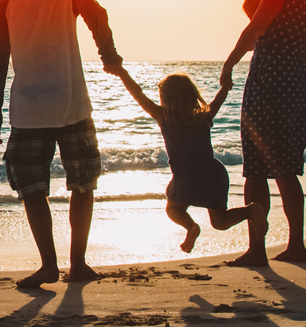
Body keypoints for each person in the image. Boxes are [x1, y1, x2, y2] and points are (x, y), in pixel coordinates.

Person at [0, 0, 123, 288]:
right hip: (72, 104)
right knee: (82, 182)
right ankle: (77, 264)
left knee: (33, 189)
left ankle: (49, 266)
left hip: (28, 112)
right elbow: (98, 16)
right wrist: (107, 53)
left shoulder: (6, 2)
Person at [220, 0, 306, 266]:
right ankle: (296, 246)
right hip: (297, 89)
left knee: (257, 170)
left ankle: (257, 250)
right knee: (286, 169)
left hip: (270, 88)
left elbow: (256, 27)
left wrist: (230, 62)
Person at [110, 69, 267, 253]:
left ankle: (191, 227)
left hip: (186, 177)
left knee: (173, 210)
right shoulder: (204, 115)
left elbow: (138, 94)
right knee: (220, 221)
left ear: (166, 98)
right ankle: (250, 211)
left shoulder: (164, 117)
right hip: (213, 175)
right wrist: (225, 87)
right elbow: (218, 100)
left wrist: (122, 74)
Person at [243, 0, 306, 103]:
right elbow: (249, 46)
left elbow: (300, 22)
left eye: (251, 15)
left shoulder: (284, 20)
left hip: (303, 58)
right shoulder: (259, 29)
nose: (251, 20)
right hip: (279, 72)